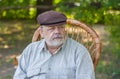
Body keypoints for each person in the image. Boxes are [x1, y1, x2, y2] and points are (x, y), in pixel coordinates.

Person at [13, 10, 95, 79]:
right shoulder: (31, 50)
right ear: (41, 32)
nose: (57, 32)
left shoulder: (79, 52)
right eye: (51, 28)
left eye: (61, 27)